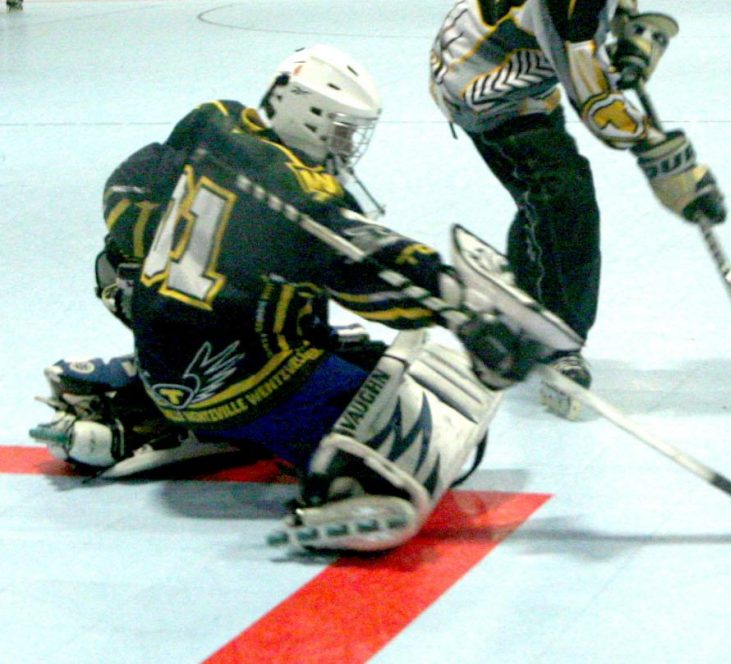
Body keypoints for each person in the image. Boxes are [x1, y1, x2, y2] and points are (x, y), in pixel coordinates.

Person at [29, 45, 563, 554]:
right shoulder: (298, 195)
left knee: (314, 338)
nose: (348, 145)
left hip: (164, 350)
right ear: (310, 114)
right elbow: (369, 268)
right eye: (343, 130)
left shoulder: (213, 122)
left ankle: (136, 405)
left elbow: (128, 189)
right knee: (409, 414)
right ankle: (346, 486)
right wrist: (459, 305)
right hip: (253, 380)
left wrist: (142, 274)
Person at [429, 0, 726, 410]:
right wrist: (663, 158)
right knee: (563, 194)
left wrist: (632, 28)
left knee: (543, 195)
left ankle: (517, 299)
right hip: (483, 85)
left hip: (518, 70)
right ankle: (556, 344)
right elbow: (596, 104)